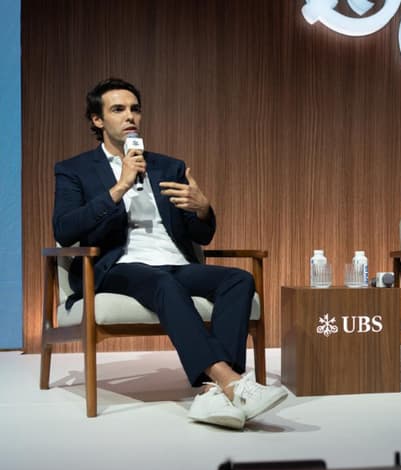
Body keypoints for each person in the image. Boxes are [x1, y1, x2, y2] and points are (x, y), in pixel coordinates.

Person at [53, 78, 288, 428]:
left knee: (238, 280)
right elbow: (65, 229)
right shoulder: (74, 170)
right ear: (97, 120)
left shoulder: (168, 166)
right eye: (118, 109)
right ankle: (231, 381)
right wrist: (119, 187)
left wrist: (203, 209)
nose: (130, 116)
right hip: (118, 267)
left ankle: (213, 393)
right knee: (160, 281)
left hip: (174, 263)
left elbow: (201, 236)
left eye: (135, 109)